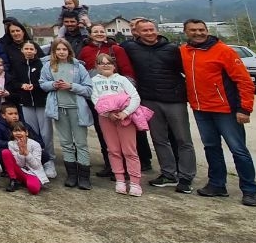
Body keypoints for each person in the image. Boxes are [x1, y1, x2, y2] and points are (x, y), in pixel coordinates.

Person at [180, 19, 256, 206]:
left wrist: (244, 108)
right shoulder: (184, 51)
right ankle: (217, 184)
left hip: (226, 110)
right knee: (211, 148)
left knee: (238, 150)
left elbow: (245, 81)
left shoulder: (224, 51)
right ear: (186, 32)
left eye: (201, 30)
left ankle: (249, 190)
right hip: (201, 109)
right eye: (193, 30)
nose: (198, 33)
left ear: (207, 31)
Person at [120, 17, 197, 194]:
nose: (149, 33)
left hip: (174, 100)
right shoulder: (130, 48)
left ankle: (186, 176)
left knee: (183, 139)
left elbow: (186, 71)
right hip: (149, 100)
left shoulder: (172, 49)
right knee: (159, 139)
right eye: (145, 30)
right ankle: (168, 173)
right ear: (136, 33)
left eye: (152, 29)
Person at [79, 23, 135, 179]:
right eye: (95, 32)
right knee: (104, 132)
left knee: (122, 134)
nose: (99, 34)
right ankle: (110, 164)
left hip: (118, 100)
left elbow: (128, 72)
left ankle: (127, 167)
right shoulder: (85, 51)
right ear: (90, 34)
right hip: (97, 98)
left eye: (101, 31)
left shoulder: (116, 49)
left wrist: (127, 97)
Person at [40, 38, 94, 189]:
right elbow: (42, 83)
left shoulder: (78, 66)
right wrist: (53, 85)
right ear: (54, 52)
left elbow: (88, 88)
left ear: (69, 51)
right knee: (66, 143)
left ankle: (84, 176)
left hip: (77, 109)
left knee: (81, 143)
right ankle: (71, 175)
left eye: (64, 49)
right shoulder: (49, 66)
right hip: (59, 109)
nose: (61, 52)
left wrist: (72, 86)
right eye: (58, 49)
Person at [90, 53, 145, 196]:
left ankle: (134, 182)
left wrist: (125, 113)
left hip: (124, 117)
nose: (105, 65)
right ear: (97, 66)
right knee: (113, 150)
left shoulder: (122, 80)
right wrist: (107, 114)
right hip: (106, 118)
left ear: (114, 66)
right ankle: (119, 179)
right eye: (102, 63)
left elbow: (135, 97)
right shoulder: (94, 81)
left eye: (108, 63)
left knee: (129, 150)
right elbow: (95, 99)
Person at [12, 40, 55, 177]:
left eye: (32, 49)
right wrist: (21, 86)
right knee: (32, 133)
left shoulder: (42, 65)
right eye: (27, 49)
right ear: (22, 51)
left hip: (41, 103)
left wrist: (35, 86)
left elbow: (46, 81)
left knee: (46, 134)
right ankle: (36, 161)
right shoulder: (18, 65)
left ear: (36, 51)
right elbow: (13, 82)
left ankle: (49, 161)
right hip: (26, 104)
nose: (29, 51)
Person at [4, 122, 49, 195]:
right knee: (5, 152)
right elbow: (20, 164)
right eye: (15, 131)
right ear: (12, 133)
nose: (18, 133)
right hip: (19, 170)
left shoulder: (35, 144)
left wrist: (27, 153)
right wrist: (21, 153)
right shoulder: (11, 144)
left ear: (26, 133)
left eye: (20, 131)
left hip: (31, 171)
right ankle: (13, 180)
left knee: (34, 189)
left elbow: (36, 165)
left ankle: (24, 182)